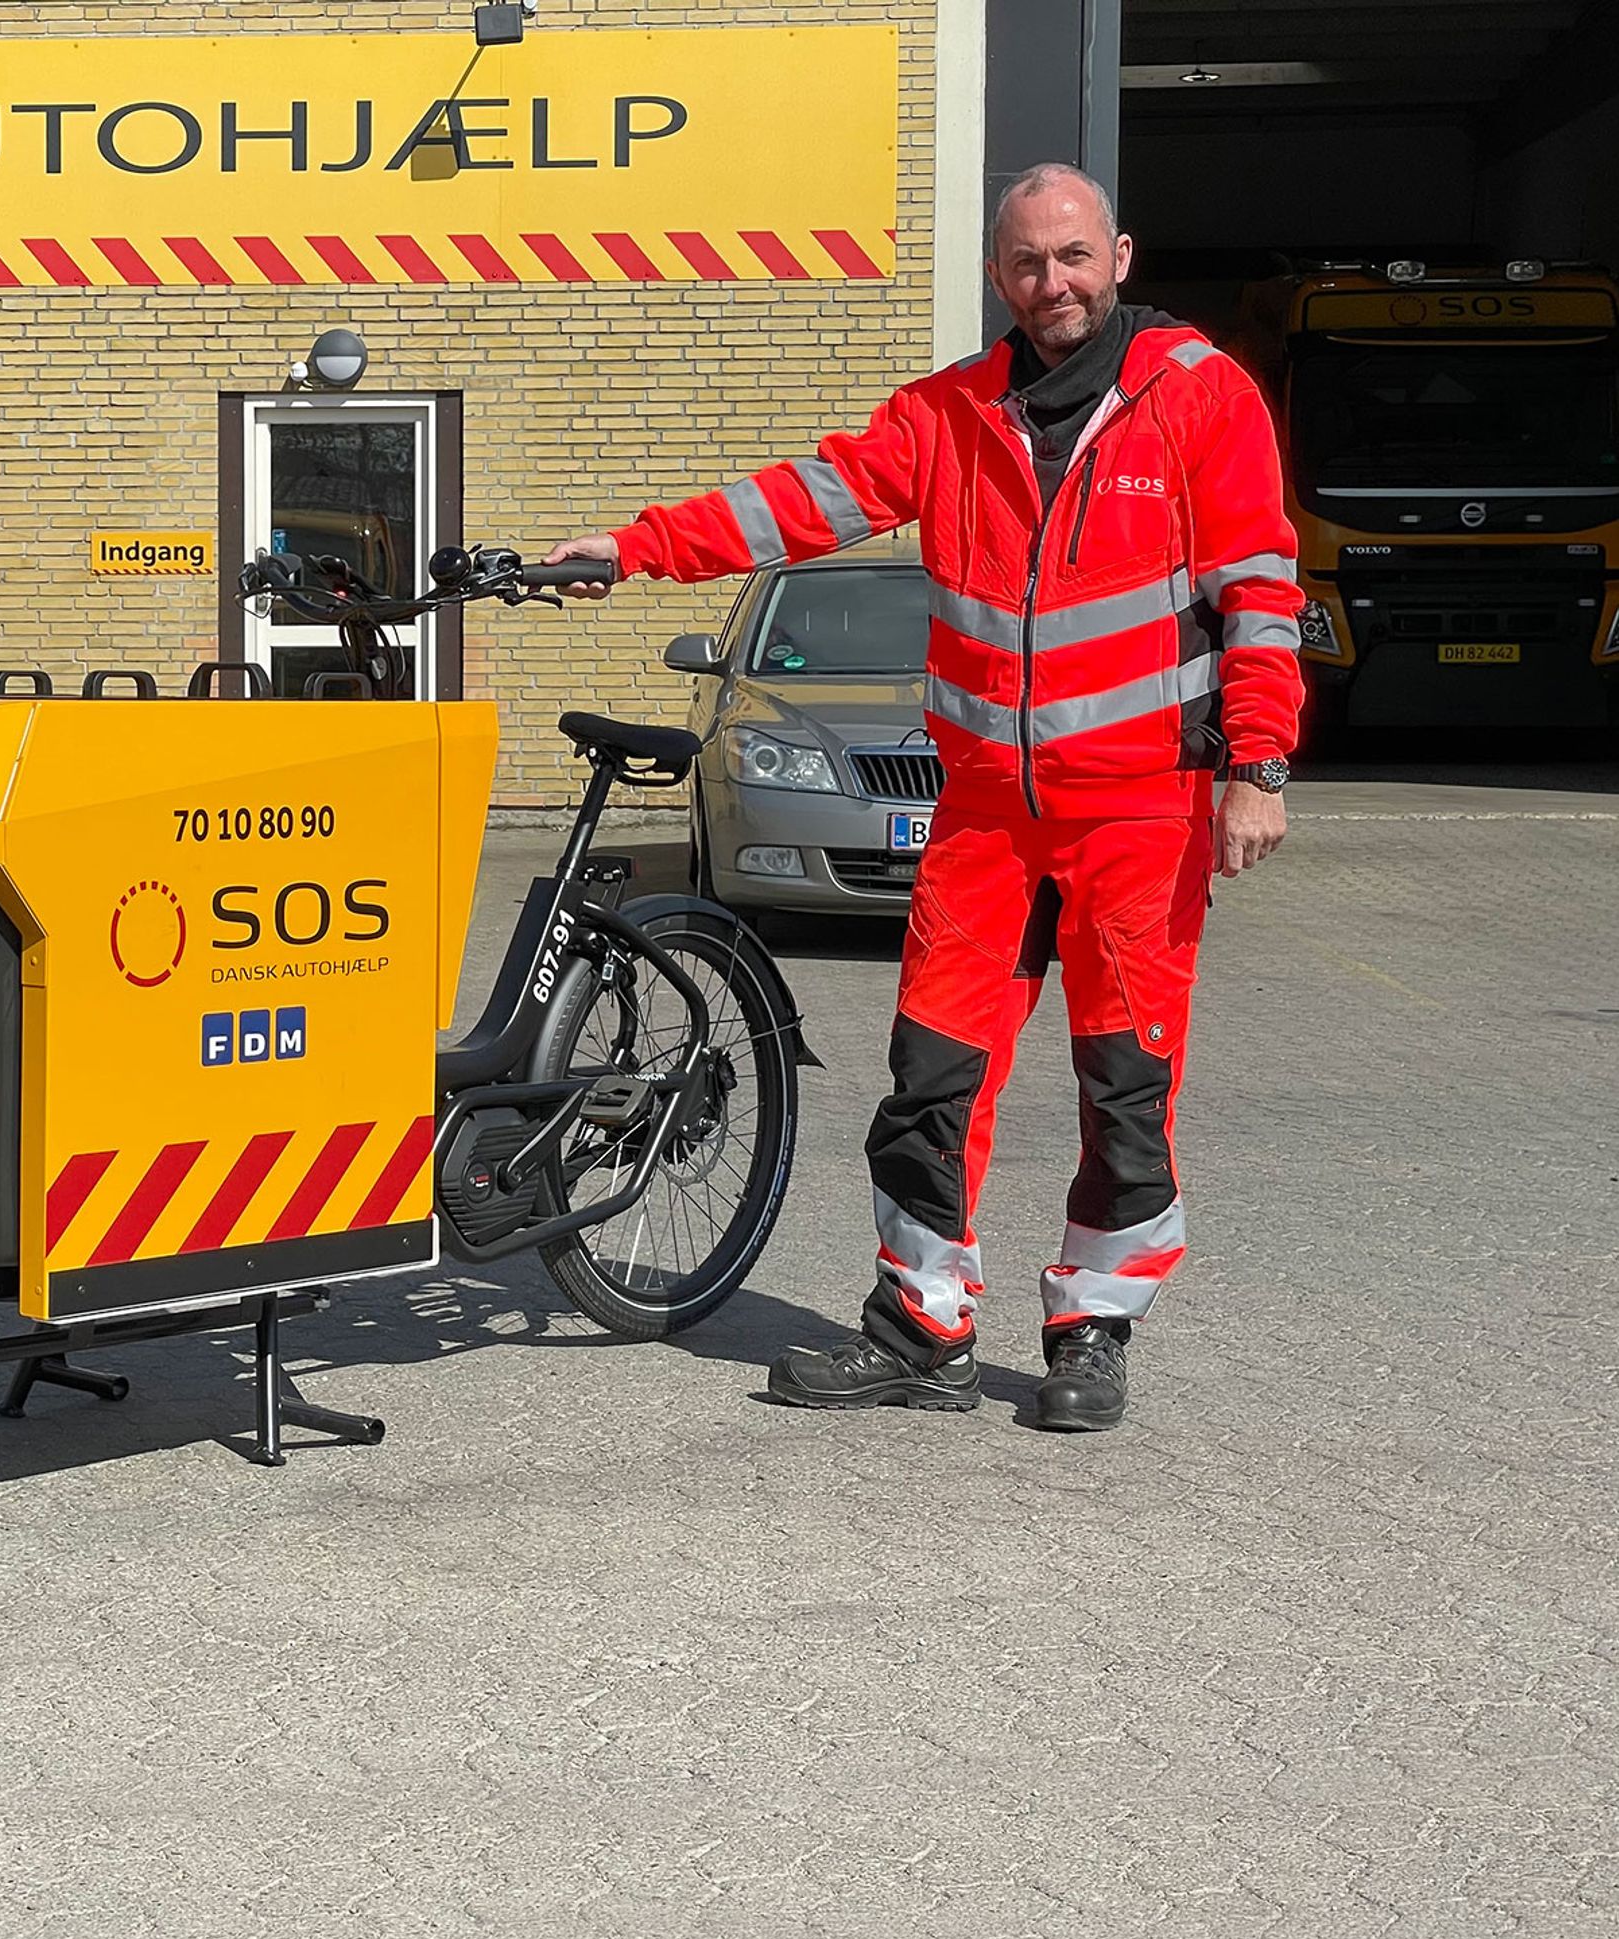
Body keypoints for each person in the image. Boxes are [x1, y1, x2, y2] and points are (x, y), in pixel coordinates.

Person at [541, 163, 1299, 1432]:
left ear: (1118, 254)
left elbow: (1261, 589)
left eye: (1069, 257)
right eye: (1023, 264)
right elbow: (796, 503)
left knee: (1125, 1083)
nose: (1048, 284)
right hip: (985, 815)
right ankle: (921, 1328)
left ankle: (1092, 1331)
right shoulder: (946, 416)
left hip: (1140, 812)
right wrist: (629, 550)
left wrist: (1257, 767)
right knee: (930, 1079)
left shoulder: (1198, 396)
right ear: (996, 275)